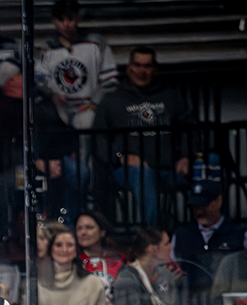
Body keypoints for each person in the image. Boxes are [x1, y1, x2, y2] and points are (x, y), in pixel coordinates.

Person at [94, 47, 195, 227]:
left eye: (147, 66)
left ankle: (208, 233)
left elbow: (190, 130)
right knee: (143, 173)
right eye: (137, 65)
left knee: (211, 163)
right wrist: (121, 157)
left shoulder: (171, 97)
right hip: (128, 172)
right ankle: (153, 236)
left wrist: (186, 157)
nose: (141, 71)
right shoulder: (112, 100)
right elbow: (99, 140)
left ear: (155, 69)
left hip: (169, 169)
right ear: (128, 67)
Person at [35, 0, 116, 132]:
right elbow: (38, 78)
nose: (66, 24)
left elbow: (109, 79)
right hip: (59, 109)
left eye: (70, 18)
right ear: (54, 21)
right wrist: (51, 95)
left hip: (87, 108)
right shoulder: (48, 49)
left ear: (78, 17)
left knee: (87, 122)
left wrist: (96, 102)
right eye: (61, 20)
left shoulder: (96, 44)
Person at [171, 179, 247, 305]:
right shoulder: (182, 236)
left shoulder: (239, 235)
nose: (200, 211)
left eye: (204, 205)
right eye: (195, 206)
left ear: (218, 201)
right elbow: (168, 274)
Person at [37, 228, 106, 305]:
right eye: (58, 245)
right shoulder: (38, 285)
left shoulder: (93, 284)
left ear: (76, 250)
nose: (64, 250)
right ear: (51, 249)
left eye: (69, 245)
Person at [112, 228, 178, 305]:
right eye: (166, 244)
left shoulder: (163, 276)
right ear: (152, 249)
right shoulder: (127, 279)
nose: (171, 248)